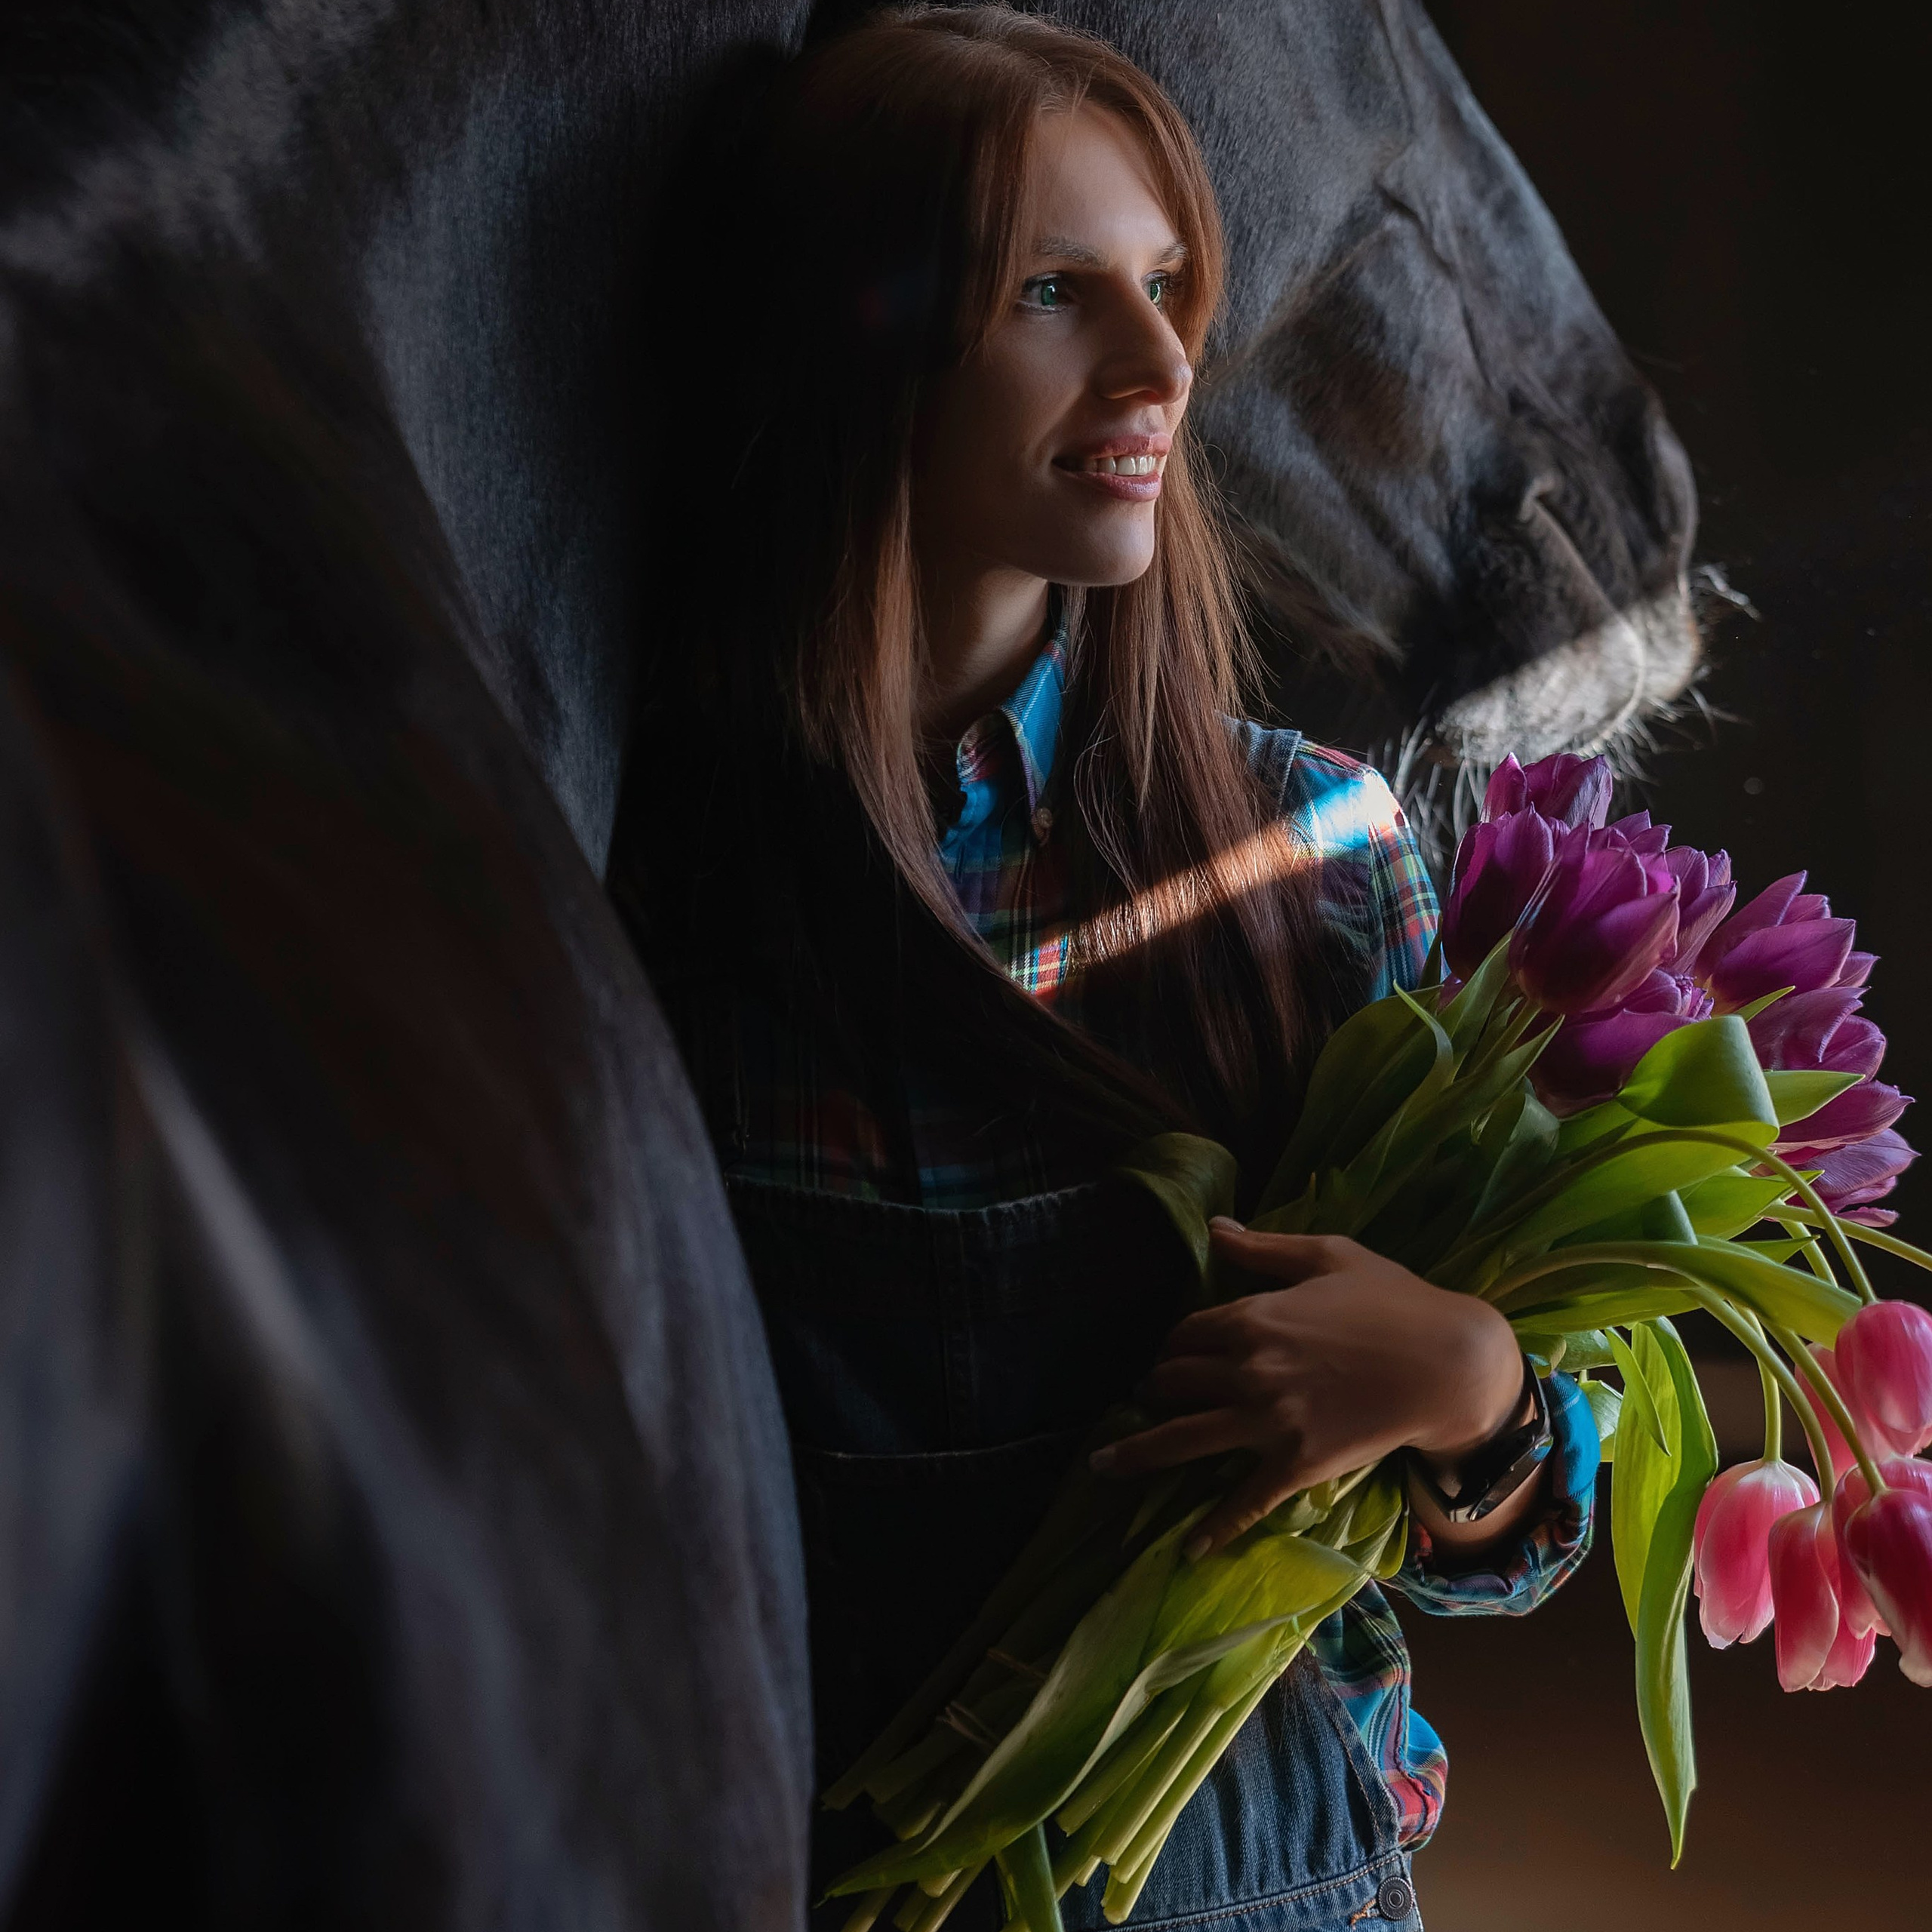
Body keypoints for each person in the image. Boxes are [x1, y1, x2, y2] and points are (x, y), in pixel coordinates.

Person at [611, 8, 1598, 1927]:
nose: (1162, 362)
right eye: (1056, 291)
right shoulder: (655, 892)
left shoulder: (1311, 861)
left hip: (1278, 1886)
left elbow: (1499, 1548)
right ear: (854, 342)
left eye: (1166, 285)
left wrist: (1471, 1382)